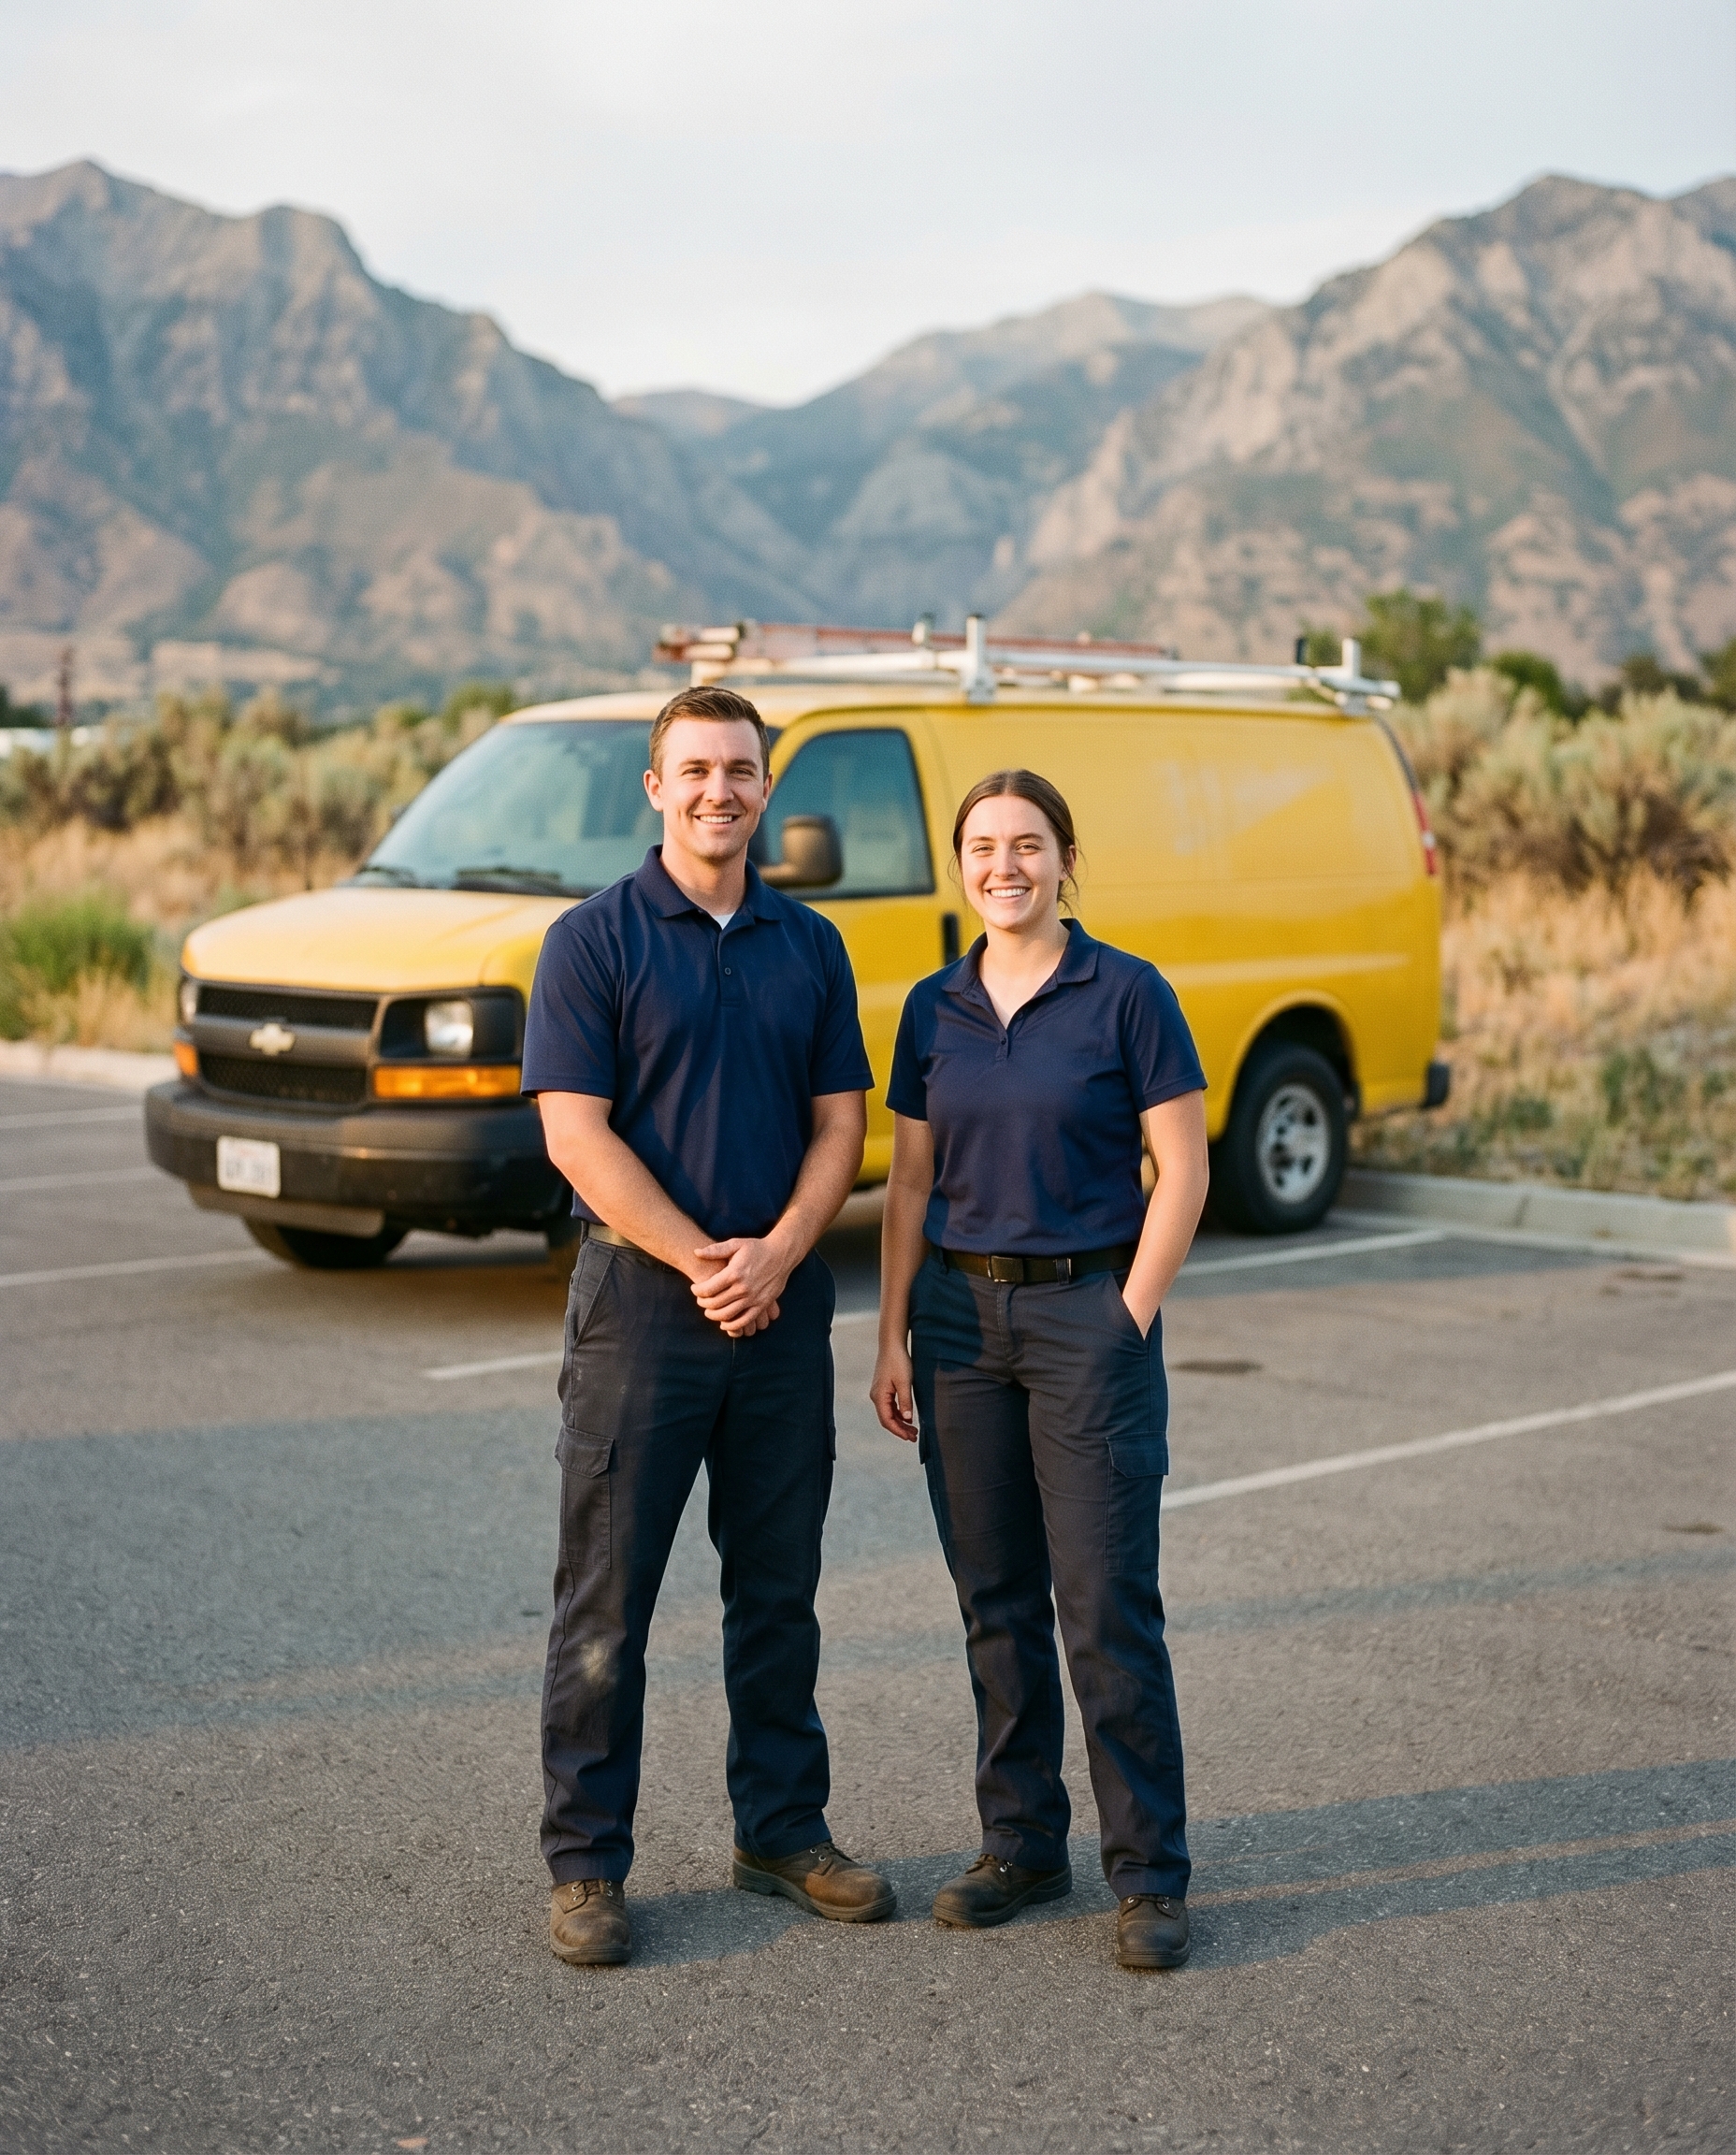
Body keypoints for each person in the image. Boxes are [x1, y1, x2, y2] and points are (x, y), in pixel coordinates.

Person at [524, 683, 896, 1967]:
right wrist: (700, 1259)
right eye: (694, 770)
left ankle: (782, 1833)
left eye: (740, 770)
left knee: (778, 1593)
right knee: (606, 1604)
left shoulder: (810, 945)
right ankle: (586, 1866)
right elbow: (575, 1132)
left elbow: (843, 1124)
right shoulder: (594, 941)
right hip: (642, 1311)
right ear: (655, 787)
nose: (718, 791)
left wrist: (780, 1253)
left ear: (765, 790)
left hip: (782, 1313)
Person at [870, 768, 1209, 1971]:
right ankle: (1019, 1844)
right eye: (980, 846)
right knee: (994, 1603)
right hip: (960, 1330)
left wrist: (1126, 1316)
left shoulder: (1125, 993)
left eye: (1026, 845)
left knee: (1103, 1603)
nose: (1002, 865)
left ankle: (1148, 1876)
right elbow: (910, 1183)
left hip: (1085, 1316)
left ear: (1066, 858)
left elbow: (1183, 1170)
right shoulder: (931, 1007)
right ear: (959, 863)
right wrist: (891, 1333)